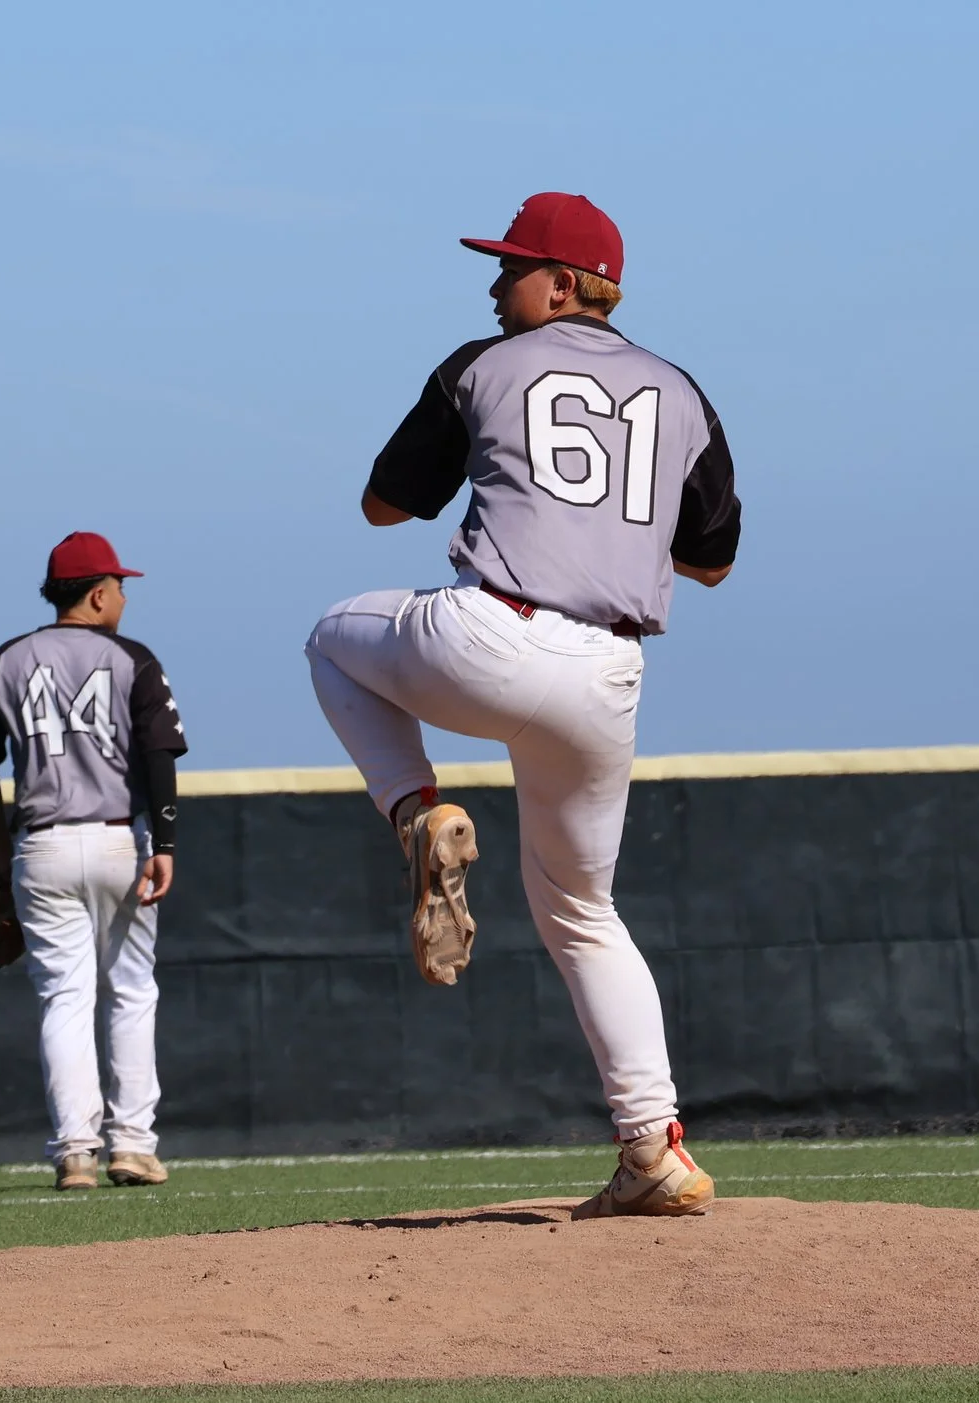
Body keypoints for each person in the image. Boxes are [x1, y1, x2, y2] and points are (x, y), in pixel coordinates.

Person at [304, 193, 741, 1219]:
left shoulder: (481, 362)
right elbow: (710, 565)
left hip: (486, 635)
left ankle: (415, 809)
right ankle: (654, 1148)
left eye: (507, 269)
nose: (493, 288)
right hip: (605, 676)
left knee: (331, 639)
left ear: (557, 282)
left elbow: (383, 504)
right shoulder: (683, 391)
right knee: (586, 912)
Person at [0, 531, 188, 1191]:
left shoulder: (6, 659)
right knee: (131, 989)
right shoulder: (133, 659)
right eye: (120, 585)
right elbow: (159, 755)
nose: (123, 596)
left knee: (65, 996)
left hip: (43, 845)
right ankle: (133, 1145)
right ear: (98, 594)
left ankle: (75, 1154)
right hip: (120, 839)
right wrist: (168, 845)